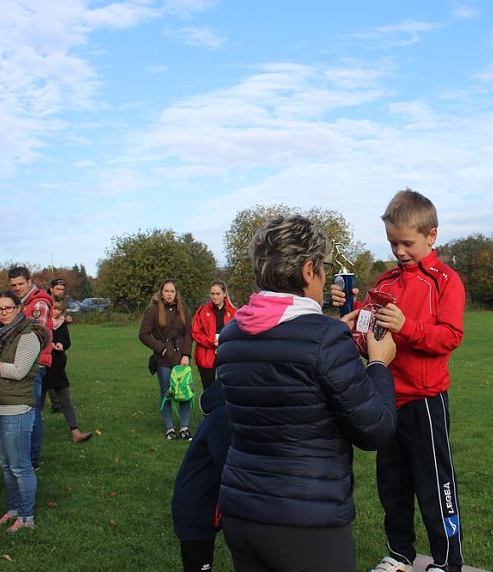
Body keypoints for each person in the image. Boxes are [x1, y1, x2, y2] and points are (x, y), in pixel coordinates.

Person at [216, 215, 397, 572]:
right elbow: (375, 429)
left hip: (242, 511)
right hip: (306, 522)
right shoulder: (324, 340)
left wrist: (331, 336)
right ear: (308, 270)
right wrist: (379, 363)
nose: (325, 277)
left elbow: (286, 361)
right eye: (324, 268)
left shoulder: (234, 333)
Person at [333, 189, 466, 572]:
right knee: (392, 485)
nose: (400, 251)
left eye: (407, 243)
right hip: (387, 398)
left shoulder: (445, 281)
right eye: (393, 243)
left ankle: (447, 561)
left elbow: (450, 337)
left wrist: (407, 327)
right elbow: (367, 338)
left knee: (435, 484)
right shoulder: (385, 282)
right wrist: (348, 314)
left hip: (426, 400)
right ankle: (400, 554)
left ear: (431, 235)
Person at [0, 291, 48, 532]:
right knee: (6, 465)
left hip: (16, 409)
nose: (4, 312)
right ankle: (13, 510)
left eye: (8, 308)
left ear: (18, 308)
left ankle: (26, 517)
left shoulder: (28, 335)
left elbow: (17, 371)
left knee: (20, 466)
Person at [171, 380, 230, 572]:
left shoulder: (222, 411)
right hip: (195, 511)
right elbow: (226, 470)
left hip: (201, 506)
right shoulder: (224, 416)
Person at [8, 266, 52, 469]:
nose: (17, 288)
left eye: (20, 284)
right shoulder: (22, 303)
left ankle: (32, 459)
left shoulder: (38, 303)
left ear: (29, 282)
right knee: (24, 409)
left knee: (31, 411)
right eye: (13, 285)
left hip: (35, 362)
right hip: (22, 361)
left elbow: (34, 335)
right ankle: (25, 455)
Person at [139, 279, 194, 440]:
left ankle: (184, 427)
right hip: (163, 360)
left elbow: (188, 333)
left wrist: (186, 354)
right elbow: (143, 334)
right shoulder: (154, 310)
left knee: (184, 391)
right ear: (161, 293)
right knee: (166, 393)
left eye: (172, 291)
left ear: (176, 293)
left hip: (181, 358)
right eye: (166, 291)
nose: (169, 294)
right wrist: (161, 348)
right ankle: (169, 428)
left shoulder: (183, 309)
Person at [43, 298, 93, 443]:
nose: (56, 312)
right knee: (37, 403)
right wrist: (50, 345)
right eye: (54, 309)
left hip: (58, 366)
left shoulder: (62, 324)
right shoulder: (43, 323)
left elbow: (67, 341)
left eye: (59, 309)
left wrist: (61, 345)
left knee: (66, 400)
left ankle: (75, 431)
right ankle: (32, 434)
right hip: (44, 366)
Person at [191, 281, 236, 391]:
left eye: (218, 294)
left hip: (226, 354)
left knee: (226, 387)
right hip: (206, 354)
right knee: (208, 389)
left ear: (224, 294)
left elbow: (237, 333)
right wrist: (211, 341)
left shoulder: (233, 312)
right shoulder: (202, 310)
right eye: (212, 294)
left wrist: (226, 341)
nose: (215, 297)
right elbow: (195, 332)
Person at [45, 278, 71, 413]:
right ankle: (56, 403)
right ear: (51, 289)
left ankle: (58, 403)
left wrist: (66, 319)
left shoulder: (62, 303)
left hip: (59, 347)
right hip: (45, 349)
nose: (60, 292)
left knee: (58, 373)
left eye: (62, 290)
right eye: (58, 289)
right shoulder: (44, 302)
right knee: (48, 376)